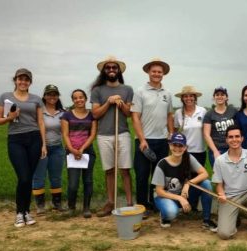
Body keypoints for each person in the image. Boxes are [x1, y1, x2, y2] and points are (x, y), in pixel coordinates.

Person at [0, 68, 47, 227]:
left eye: (26, 79)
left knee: (28, 178)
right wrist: (10, 117)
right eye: (20, 79)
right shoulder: (6, 97)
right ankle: (19, 212)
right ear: (15, 80)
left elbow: (40, 122)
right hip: (16, 139)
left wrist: (44, 144)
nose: (23, 82)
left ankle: (26, 212)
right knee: (23, 177)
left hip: (34, 138)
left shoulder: (36, 99)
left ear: (30, 82)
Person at [90, 56, 134, 217]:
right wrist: (108, 102)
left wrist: (121, 103)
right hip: (104, 135)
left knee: (125, 170)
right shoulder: (97, 90)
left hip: (122, 133)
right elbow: (95, 114)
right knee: (109, 170)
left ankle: (130, 203)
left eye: (114, 67)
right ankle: (110, 202)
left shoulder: (127, 89)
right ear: (104, 71)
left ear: (118, 70)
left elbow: (128, 113)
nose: (111, 70)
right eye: (108, 68)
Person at [131, 58, 174, 218]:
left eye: (159, 72)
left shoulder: (167, 94)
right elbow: (135, 117)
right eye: (154, 71)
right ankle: (142, 206)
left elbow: (169, 115)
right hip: (144, 140)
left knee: (158, 176)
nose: (156, 74)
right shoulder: (140, 91)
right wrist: (142, 140)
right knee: (142, 175)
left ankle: (155, 203)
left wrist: (170, 135)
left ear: (163, 74)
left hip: (162, 141)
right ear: (149, 72)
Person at [151, 133, 217, 231]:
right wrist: (179, 198)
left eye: (180, 145)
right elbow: (159, 191)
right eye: (174, 145)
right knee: (171, 213)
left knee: (206, 184)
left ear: (185, 147)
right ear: (170, 145)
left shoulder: (188, 158)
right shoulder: (162, 164)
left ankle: (207, 220)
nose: (177, 148)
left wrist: (188, 183)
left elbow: (205, 173)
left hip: (184, 194)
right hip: (166, 196)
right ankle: (165, 216)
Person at [61, 89, 97, 218]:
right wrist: (71, 149)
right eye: (75, 98)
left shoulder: (91, 115)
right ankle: (71, 207)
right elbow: (65, 134)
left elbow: (93, 134)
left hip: (87, 152)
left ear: (85, 99)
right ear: (73, 100)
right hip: (71, 152)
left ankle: (86, 208)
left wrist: (81, 149)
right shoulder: (67, 115)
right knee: (73, 183)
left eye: (81, 97)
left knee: (88, 181)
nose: (78, 100)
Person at [32, 84, 66, 215]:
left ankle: (57, 203)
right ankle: (40, 205)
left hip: (57, 148)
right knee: (39, 177)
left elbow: (65, 132)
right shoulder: (39, 111)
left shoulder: (62, 113)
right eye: (49, 94)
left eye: (55, 94)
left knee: (56, 177)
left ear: (58, 96)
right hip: (41, 149)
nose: (52, 97)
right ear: (44, 96)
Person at [174, 85, 207, 211]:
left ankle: (194, 206)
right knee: (185, 179)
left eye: (191, 96)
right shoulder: (178, 113)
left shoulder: (202, 111)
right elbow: (176, 132)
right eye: (186, 96)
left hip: (199, 151)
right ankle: (184, 204)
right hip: (184, 152)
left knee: (197, 179)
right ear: (182, 98)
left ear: (195, 98)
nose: (189, 98)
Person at [203, 86, 237, 167]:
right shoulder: (209, 114)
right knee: (219, 178)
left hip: (232, 148)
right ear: (214, 97)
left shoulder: (233, 111)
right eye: (217, 94)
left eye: (222, 94)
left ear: (226, 97)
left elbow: (238, 130)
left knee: (234, 176)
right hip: (217, 149)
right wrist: (215, 151)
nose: (220, 96)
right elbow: (206, 134)